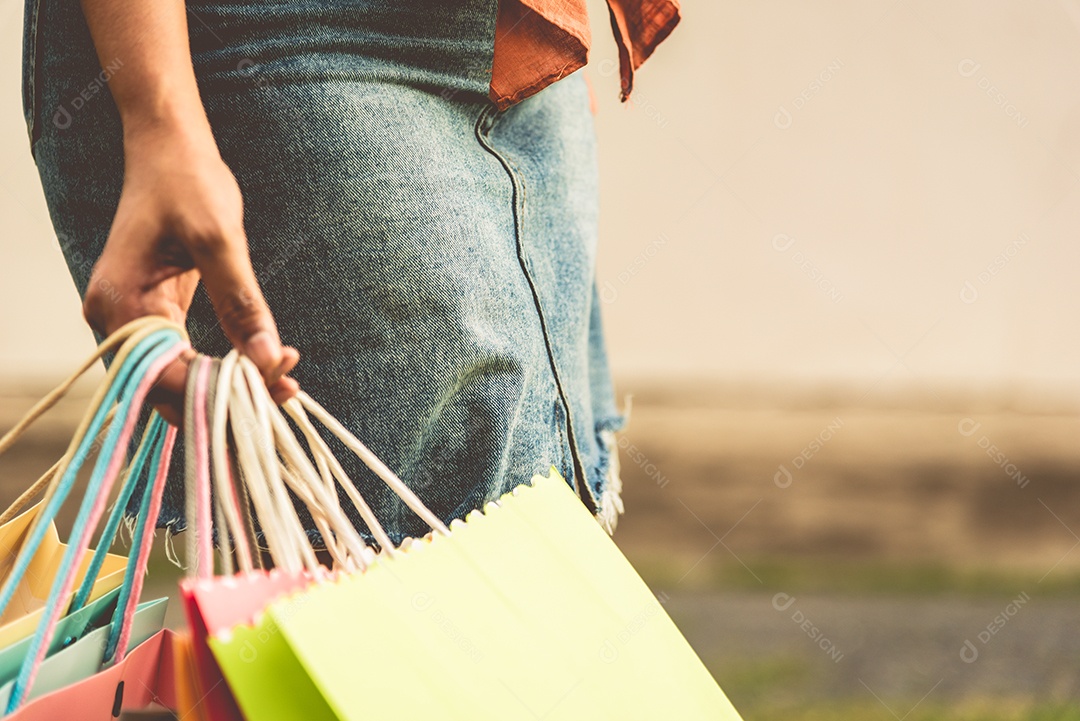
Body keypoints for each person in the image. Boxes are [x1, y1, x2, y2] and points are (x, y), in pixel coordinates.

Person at [20, 0, 679, 545]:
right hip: (279, 32)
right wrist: (159, 116)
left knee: (541, 514)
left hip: (521, 39)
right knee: (398, 555)